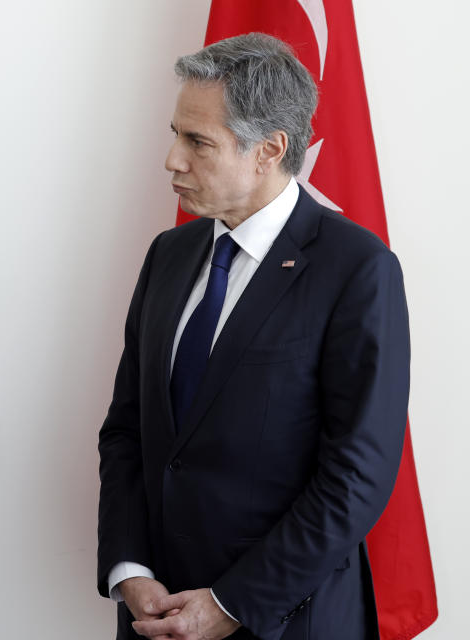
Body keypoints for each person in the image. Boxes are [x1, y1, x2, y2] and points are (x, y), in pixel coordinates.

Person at [96, 33, 408, 640]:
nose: (171, 160)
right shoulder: (169, 253)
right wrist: (129, 568)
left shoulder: (357, 269)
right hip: (153, 617)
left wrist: (232, 602)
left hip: (284, 619)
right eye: (175, 133)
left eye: (197, 142)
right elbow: (127, 429)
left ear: (269, 149)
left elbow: (357, 476)